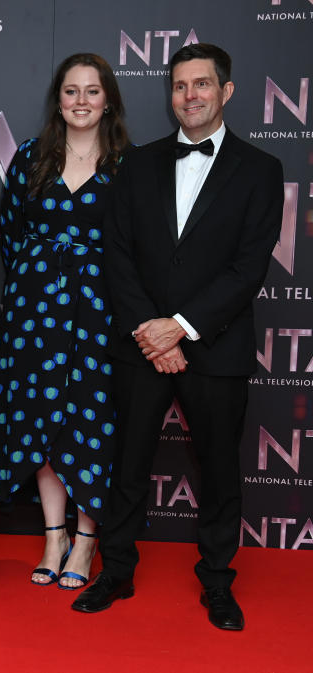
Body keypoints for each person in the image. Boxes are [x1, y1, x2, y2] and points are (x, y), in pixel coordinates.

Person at [72, 44, 283, 632]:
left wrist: (182, 328)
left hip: (215, 345)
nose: (190, 95)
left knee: (219, 470)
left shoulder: (261, 169)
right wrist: (152, 331)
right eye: (180, 85)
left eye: (202, 84)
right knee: (128, 464)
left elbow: (248, 267)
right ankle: (115, 571)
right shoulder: (135, 164)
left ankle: (217, 582)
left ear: (227, 91)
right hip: (141, 344)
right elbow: (116, 253)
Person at [0, 54, 129, 590]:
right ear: (59, 100)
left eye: (92, 91)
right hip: (34, 309)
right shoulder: (30, 157)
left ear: (108, 99)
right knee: (42, 418)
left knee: (91, 419)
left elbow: (137, 245)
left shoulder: (128, 163)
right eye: (71, 92)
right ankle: (54, 535)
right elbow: (15, 233)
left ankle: (87, 538)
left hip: (99, 310)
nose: (81, 101)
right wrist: (38, 280)